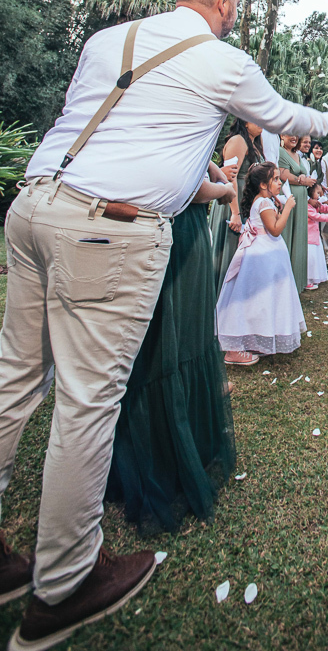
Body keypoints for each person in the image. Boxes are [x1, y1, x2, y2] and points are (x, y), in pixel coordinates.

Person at [0, 0, 328, 650]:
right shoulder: (221, 59)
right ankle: (65, 583)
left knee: (14, 380)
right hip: (107, 229)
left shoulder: (108, 41)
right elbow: (283, 117)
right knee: (87, 399)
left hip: (35, 205)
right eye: (234, 7)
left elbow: (113, 128)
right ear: (223, 1)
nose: (234, 16)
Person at [106, 165, 236, 533]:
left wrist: (214, 173)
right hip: (176, 228)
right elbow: (187, 188)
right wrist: (222, 191)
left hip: (170, 227)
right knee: (171, 340)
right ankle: (164, 457)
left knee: (174, 339)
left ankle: (165, 447)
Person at [216, 162, 306, 362]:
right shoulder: (264, 203)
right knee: (262, 298)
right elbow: (274, 229)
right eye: (275, 179)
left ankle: (257, 338)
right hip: (265, 255)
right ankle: (239, 346)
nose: (280, 181)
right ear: (263, 185)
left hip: (265, 252)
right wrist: (288, 208)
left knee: (263, 299)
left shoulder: (264, 200)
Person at [208, 118, 264, 297]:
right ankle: (221, 297)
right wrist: (235, 214)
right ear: (245, 121)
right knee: (230, 251)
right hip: (234, 201)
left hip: (246, 202)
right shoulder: (238, 140)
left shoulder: (255, 143)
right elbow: (230, 177)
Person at [278, 134, 315, 294]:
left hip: (301, 200)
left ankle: (297, 279)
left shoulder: (297, 154)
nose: (294, 137)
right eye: (290, 134)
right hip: (289, 198)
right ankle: (283, 282)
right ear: (281, 135)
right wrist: (302, 181)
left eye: (296, 134)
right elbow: (282, 175)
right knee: (288, 235)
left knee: (299, 236)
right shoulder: (280, 152)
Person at [306, 181, 328, 290]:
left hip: (315, 237)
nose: (320, 196)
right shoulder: (308, 207)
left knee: (316, 257)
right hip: (309, 237)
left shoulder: (316, 205)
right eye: (318, 193)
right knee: (311, 259)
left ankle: (315, 277)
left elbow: (325, 208)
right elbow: (317, 216)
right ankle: (308, 279)